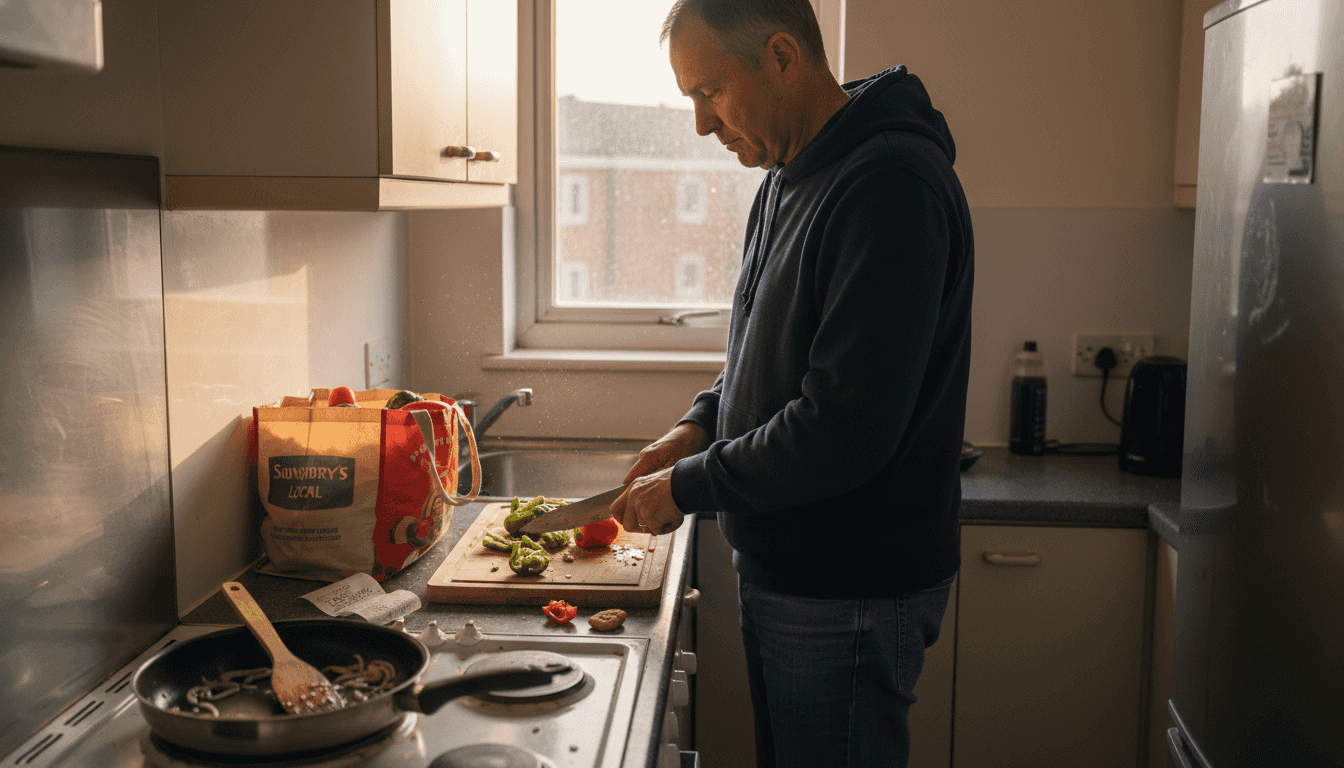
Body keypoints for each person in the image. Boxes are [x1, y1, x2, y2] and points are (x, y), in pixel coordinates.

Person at [608, 1, 974, 766]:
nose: (703, 127)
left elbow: (843, 426)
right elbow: (762, 358)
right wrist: (698, 425)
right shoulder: (788, 173)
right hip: (793, 566)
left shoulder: (888, 185)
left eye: (710, 93)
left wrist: (688, 484)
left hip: (850, 586)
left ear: (782, 56)